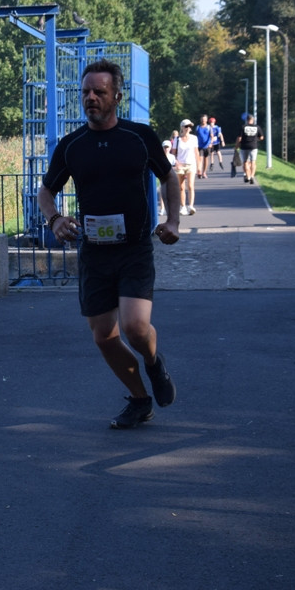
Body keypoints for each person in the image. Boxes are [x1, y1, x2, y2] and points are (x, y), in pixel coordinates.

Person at [37, 58, 180, 429]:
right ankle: (139, 398)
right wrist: (55, 219)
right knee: (104, 336)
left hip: (134, 249)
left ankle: (153, 363)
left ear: (117, 96)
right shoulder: (72, 146)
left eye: (99, 92)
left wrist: (173, 220)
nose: (91, 98)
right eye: (85, 92)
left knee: (135, 327)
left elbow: (169, 177)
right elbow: (46, 190)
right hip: (95, 254)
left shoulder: (139, 136)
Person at [172, 119, 199, 215]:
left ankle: (191, 206)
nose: (188, 128)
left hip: (191, 164)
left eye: (190, 126)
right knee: (181, 187)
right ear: (182, 127)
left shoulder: (194, 138)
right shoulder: (177, 139)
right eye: (186, 126)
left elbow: (196, 153)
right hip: (180, 165)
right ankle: (183, 207)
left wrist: (199, 166)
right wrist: (176, 163)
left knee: (190, 185)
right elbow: (173, 154)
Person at [236, 113, 264, 184]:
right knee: (253, 162)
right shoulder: (257, 127)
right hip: (253, 147)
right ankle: (252, 176)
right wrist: (256, 139)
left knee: (245, 162)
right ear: (253, 120)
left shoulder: (243, 127)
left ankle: (247, 176)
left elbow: (239, 138)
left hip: (244, 146)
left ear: (247, 120)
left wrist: (237, 145)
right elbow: (261, 137)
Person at [158, 140, 176, 216]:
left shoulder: (172, 157)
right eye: (164, 147)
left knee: (170, 193)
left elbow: (174, 166)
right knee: (162, 192)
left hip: (169, 176)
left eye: (167, 147)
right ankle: (162, 208)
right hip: (162, 176)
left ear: (170, 148)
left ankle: (169, 209)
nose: (166, 149)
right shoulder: (160, 157)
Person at [195, 114, 212, 178]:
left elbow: (211, 136)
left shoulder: (208, 127)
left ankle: (204, 172)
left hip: (207, 146)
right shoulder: (198, 127)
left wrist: (211, 143)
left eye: (204, 119)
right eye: (202, 119)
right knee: (200, 159)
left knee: (206, 159)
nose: (203, 120)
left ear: (206, 120)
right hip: (199, 145)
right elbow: (195, 136)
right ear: (200, 119)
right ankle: (199, 171)